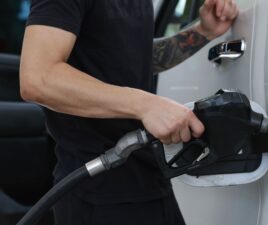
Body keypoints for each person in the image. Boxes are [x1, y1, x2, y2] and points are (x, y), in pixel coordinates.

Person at [20, 0, 238, 224]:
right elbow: (39, 79)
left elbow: (132, 57)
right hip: (98, 190)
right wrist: (145, 104)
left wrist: (203, 32)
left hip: (148, 176)